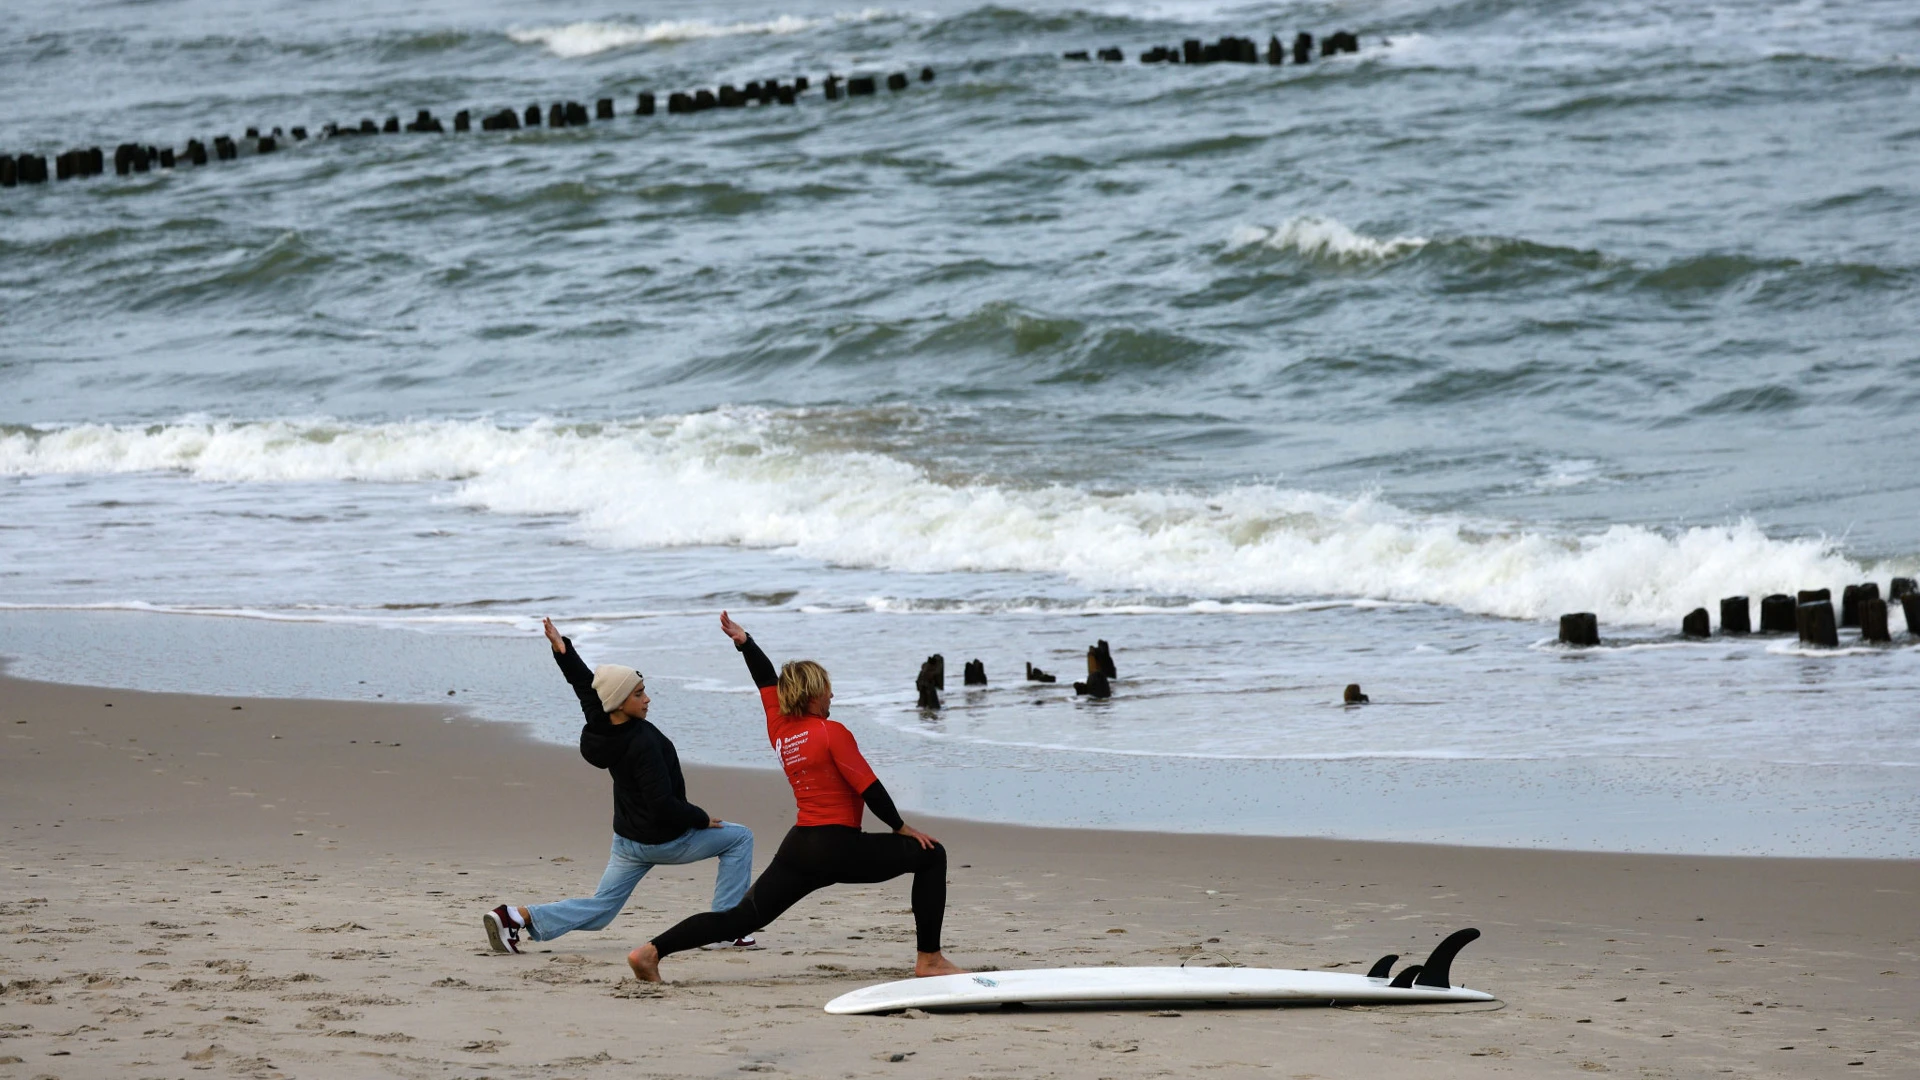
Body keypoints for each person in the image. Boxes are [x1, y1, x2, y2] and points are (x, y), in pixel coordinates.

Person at [624, 612, 964, 982]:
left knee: (740, 918)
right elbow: (869, 789)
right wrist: (902, 827)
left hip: (801, 847)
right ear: (815, 692)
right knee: (932, 856)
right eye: (828, 687)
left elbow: (765, 680)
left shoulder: (780, 729)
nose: (832, 694)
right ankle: (929, 959)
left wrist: (745, 643)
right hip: (840, 847)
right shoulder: (832, 732)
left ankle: (651, 952)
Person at [480, 618, 757, 954]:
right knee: (740, 837)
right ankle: (725, 927)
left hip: (628, 841)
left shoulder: (601, 721)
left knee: (601, 911)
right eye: (638, 694)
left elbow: (585, 686)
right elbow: (662, 805)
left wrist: (563, 651)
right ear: (620, 701)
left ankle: (515, 917)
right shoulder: (643, 744)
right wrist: (701, 818)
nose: (647, 699)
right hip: (663, 840)